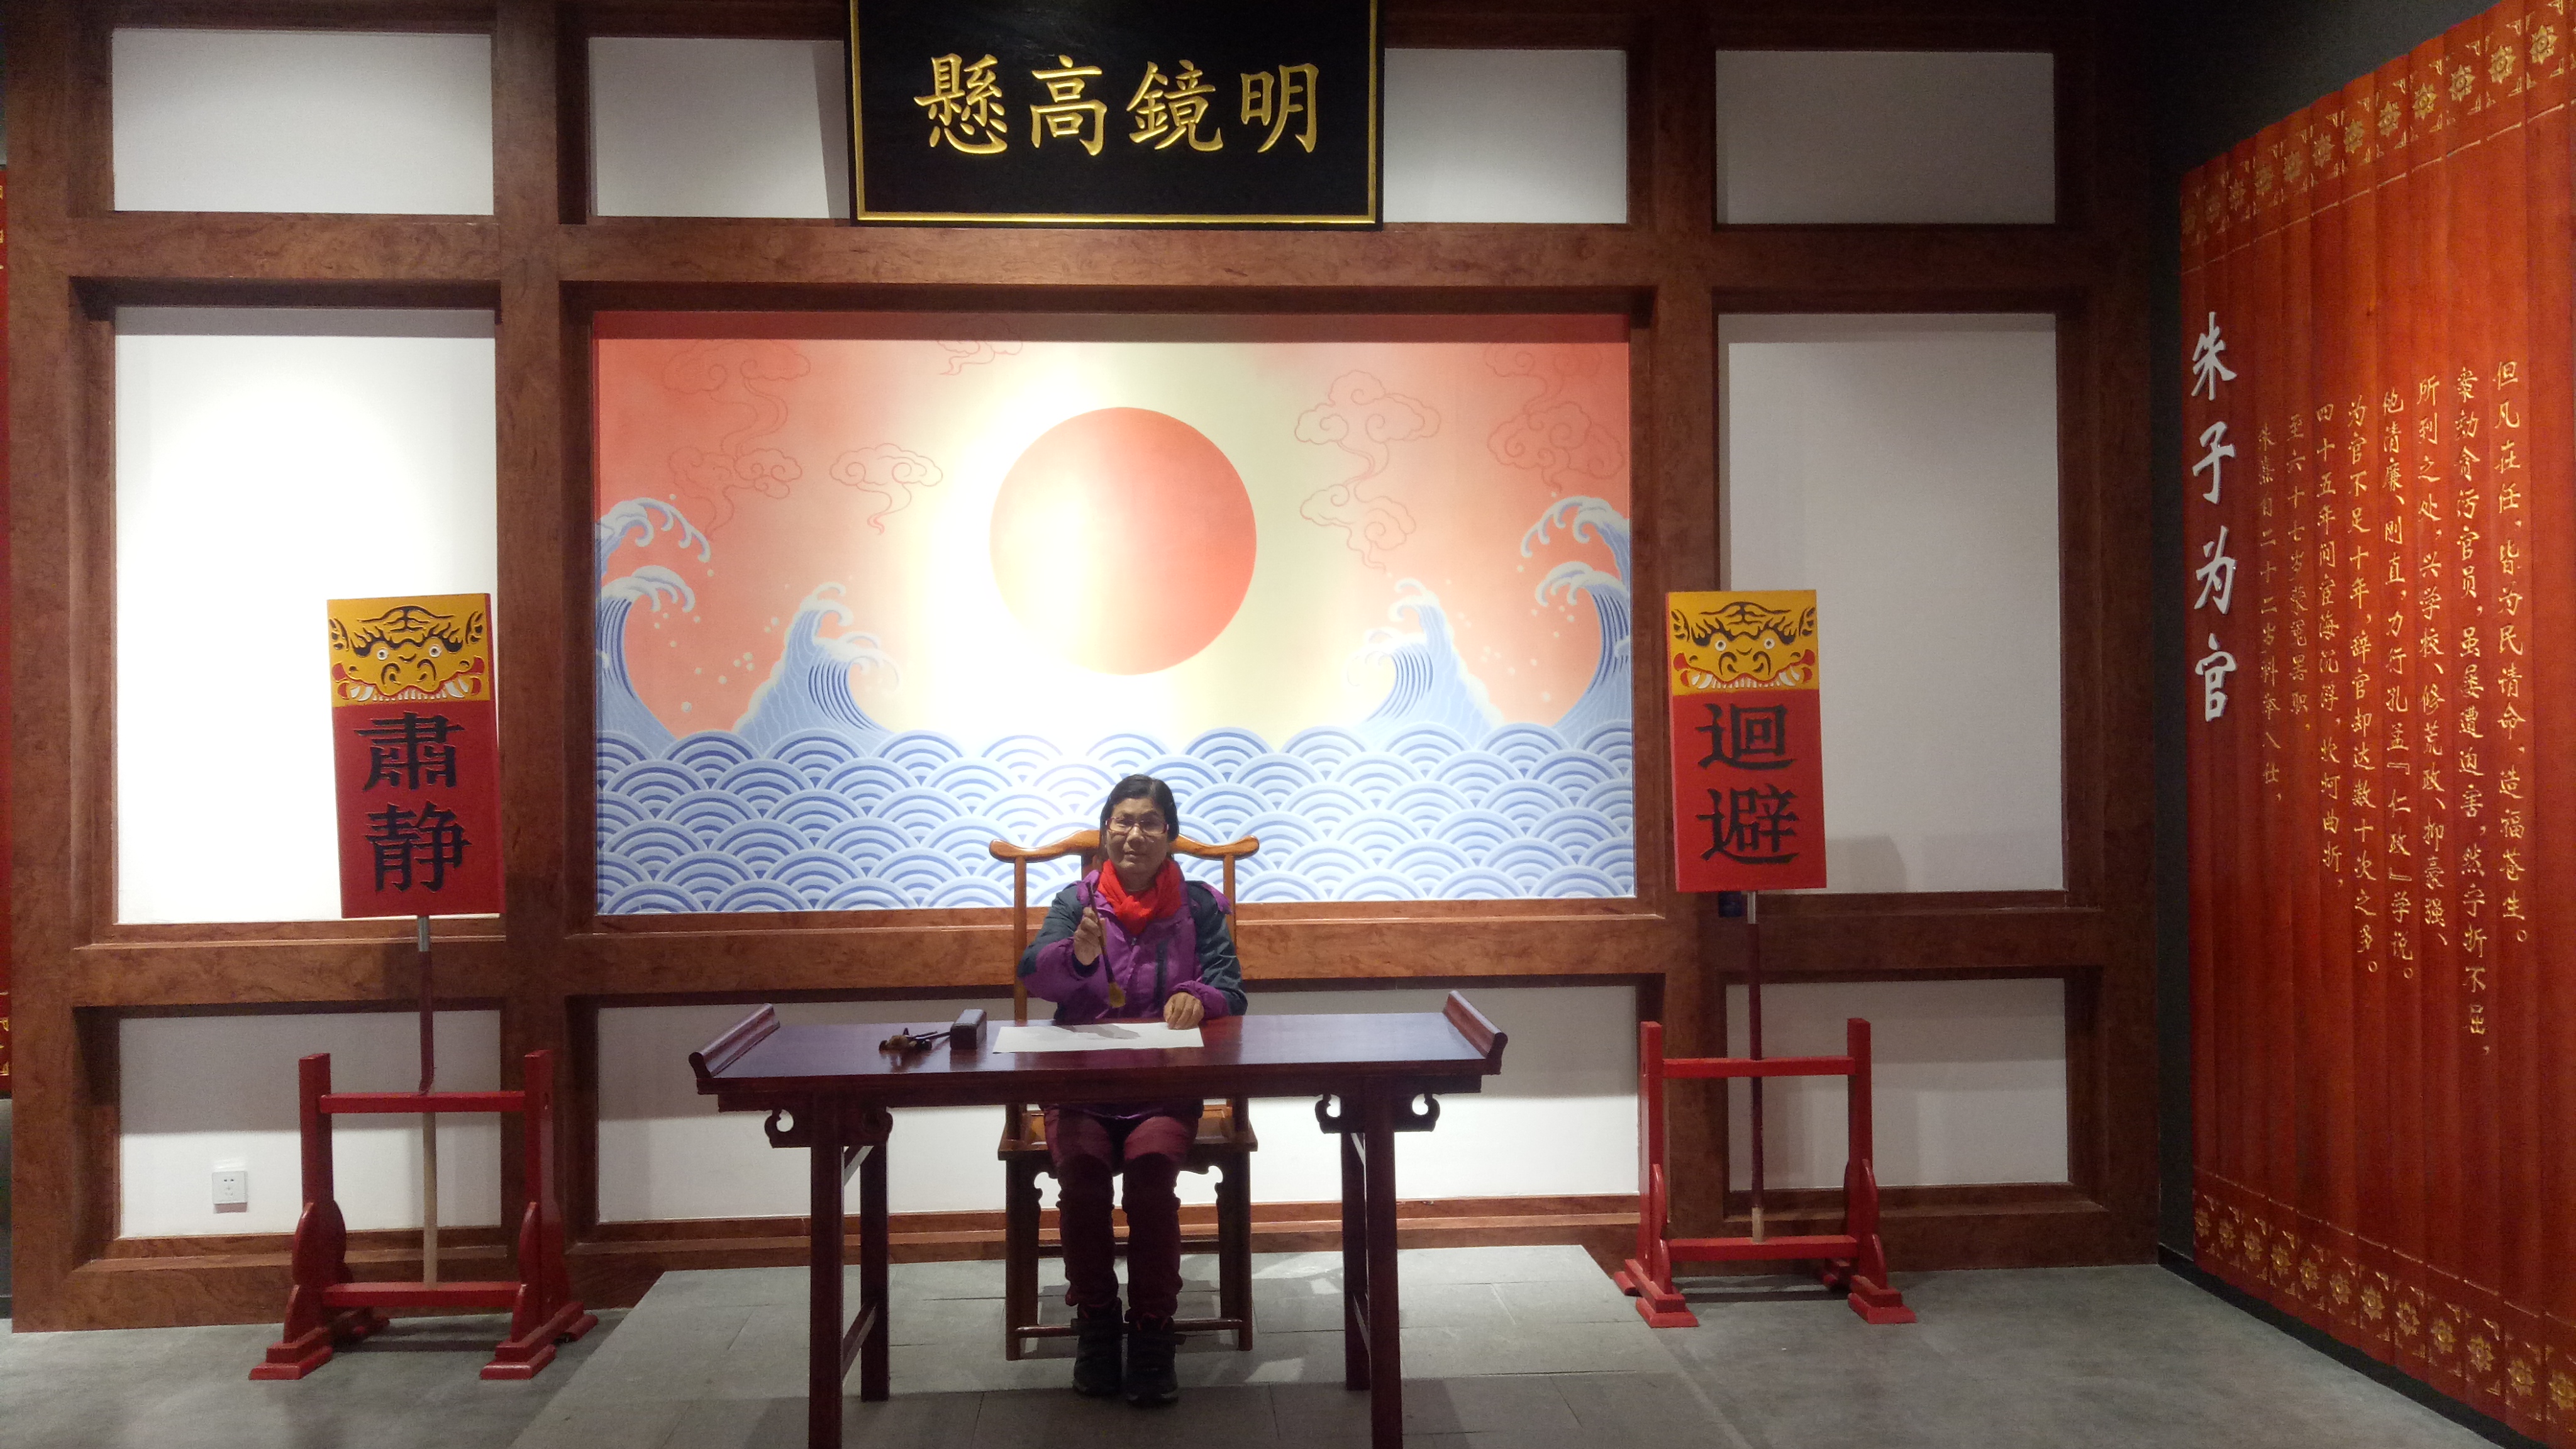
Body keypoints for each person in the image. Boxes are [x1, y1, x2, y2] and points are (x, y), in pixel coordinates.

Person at [1018, 774, 1246, 1407]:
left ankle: (1151, 1330)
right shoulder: (1077, 902)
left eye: (1149, 822)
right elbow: (1034, 976)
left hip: (1162, 1087)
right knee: (1083, 1179)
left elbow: (1231, 989)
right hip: (1082, 1086)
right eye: (1122, 821)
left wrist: (1196, 996)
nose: (1134, 834)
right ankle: (1096, 1322)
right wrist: (1077, 957)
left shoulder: (1199, 906)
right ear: (1105, 830)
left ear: (1169, 834)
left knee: (1149, 1181)